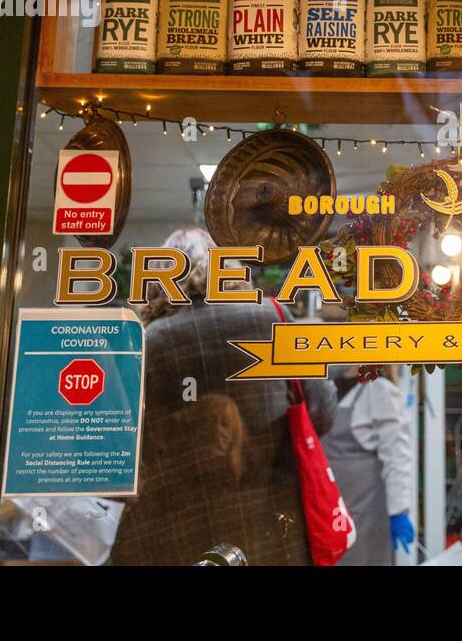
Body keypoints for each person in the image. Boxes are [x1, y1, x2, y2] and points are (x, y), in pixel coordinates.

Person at [110, 227, 337, 566]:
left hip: (174, 525)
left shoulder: (152, 341)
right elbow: (323, 411)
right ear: (228, 270)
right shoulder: (272, 318)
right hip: (270, 520)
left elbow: (126, 444)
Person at [320, 364, 415, 565]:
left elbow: (397, 455)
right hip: (334, 510)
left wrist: (399, 512)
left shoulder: (379, 390)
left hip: (366, 513)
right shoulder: (328, 389)